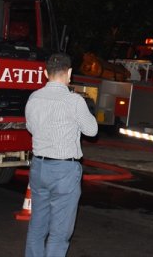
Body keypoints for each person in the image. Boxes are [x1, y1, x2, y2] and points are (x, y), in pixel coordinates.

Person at [24, 52, 98, 257]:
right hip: (64, 170)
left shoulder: (34, 97)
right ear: (70, 73)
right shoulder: (74, 101)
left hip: (39, 167)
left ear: (46, 72)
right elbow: (92, 131)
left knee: (37, 227)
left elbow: (30, 127)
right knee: (59, 233)